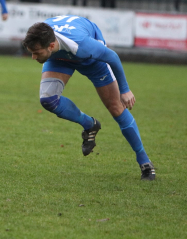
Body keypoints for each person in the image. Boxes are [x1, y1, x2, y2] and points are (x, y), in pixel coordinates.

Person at [22, 16, 155, 181]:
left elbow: (112, 57)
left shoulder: (82, 45)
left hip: (90, 61)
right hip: (58, 57)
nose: (33, 57)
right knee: (48, 99)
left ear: (50, 45)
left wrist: (125, 90)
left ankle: (144, 162)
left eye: (36, 53)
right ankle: (90, 125)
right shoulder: (42, 34)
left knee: (116, 108)